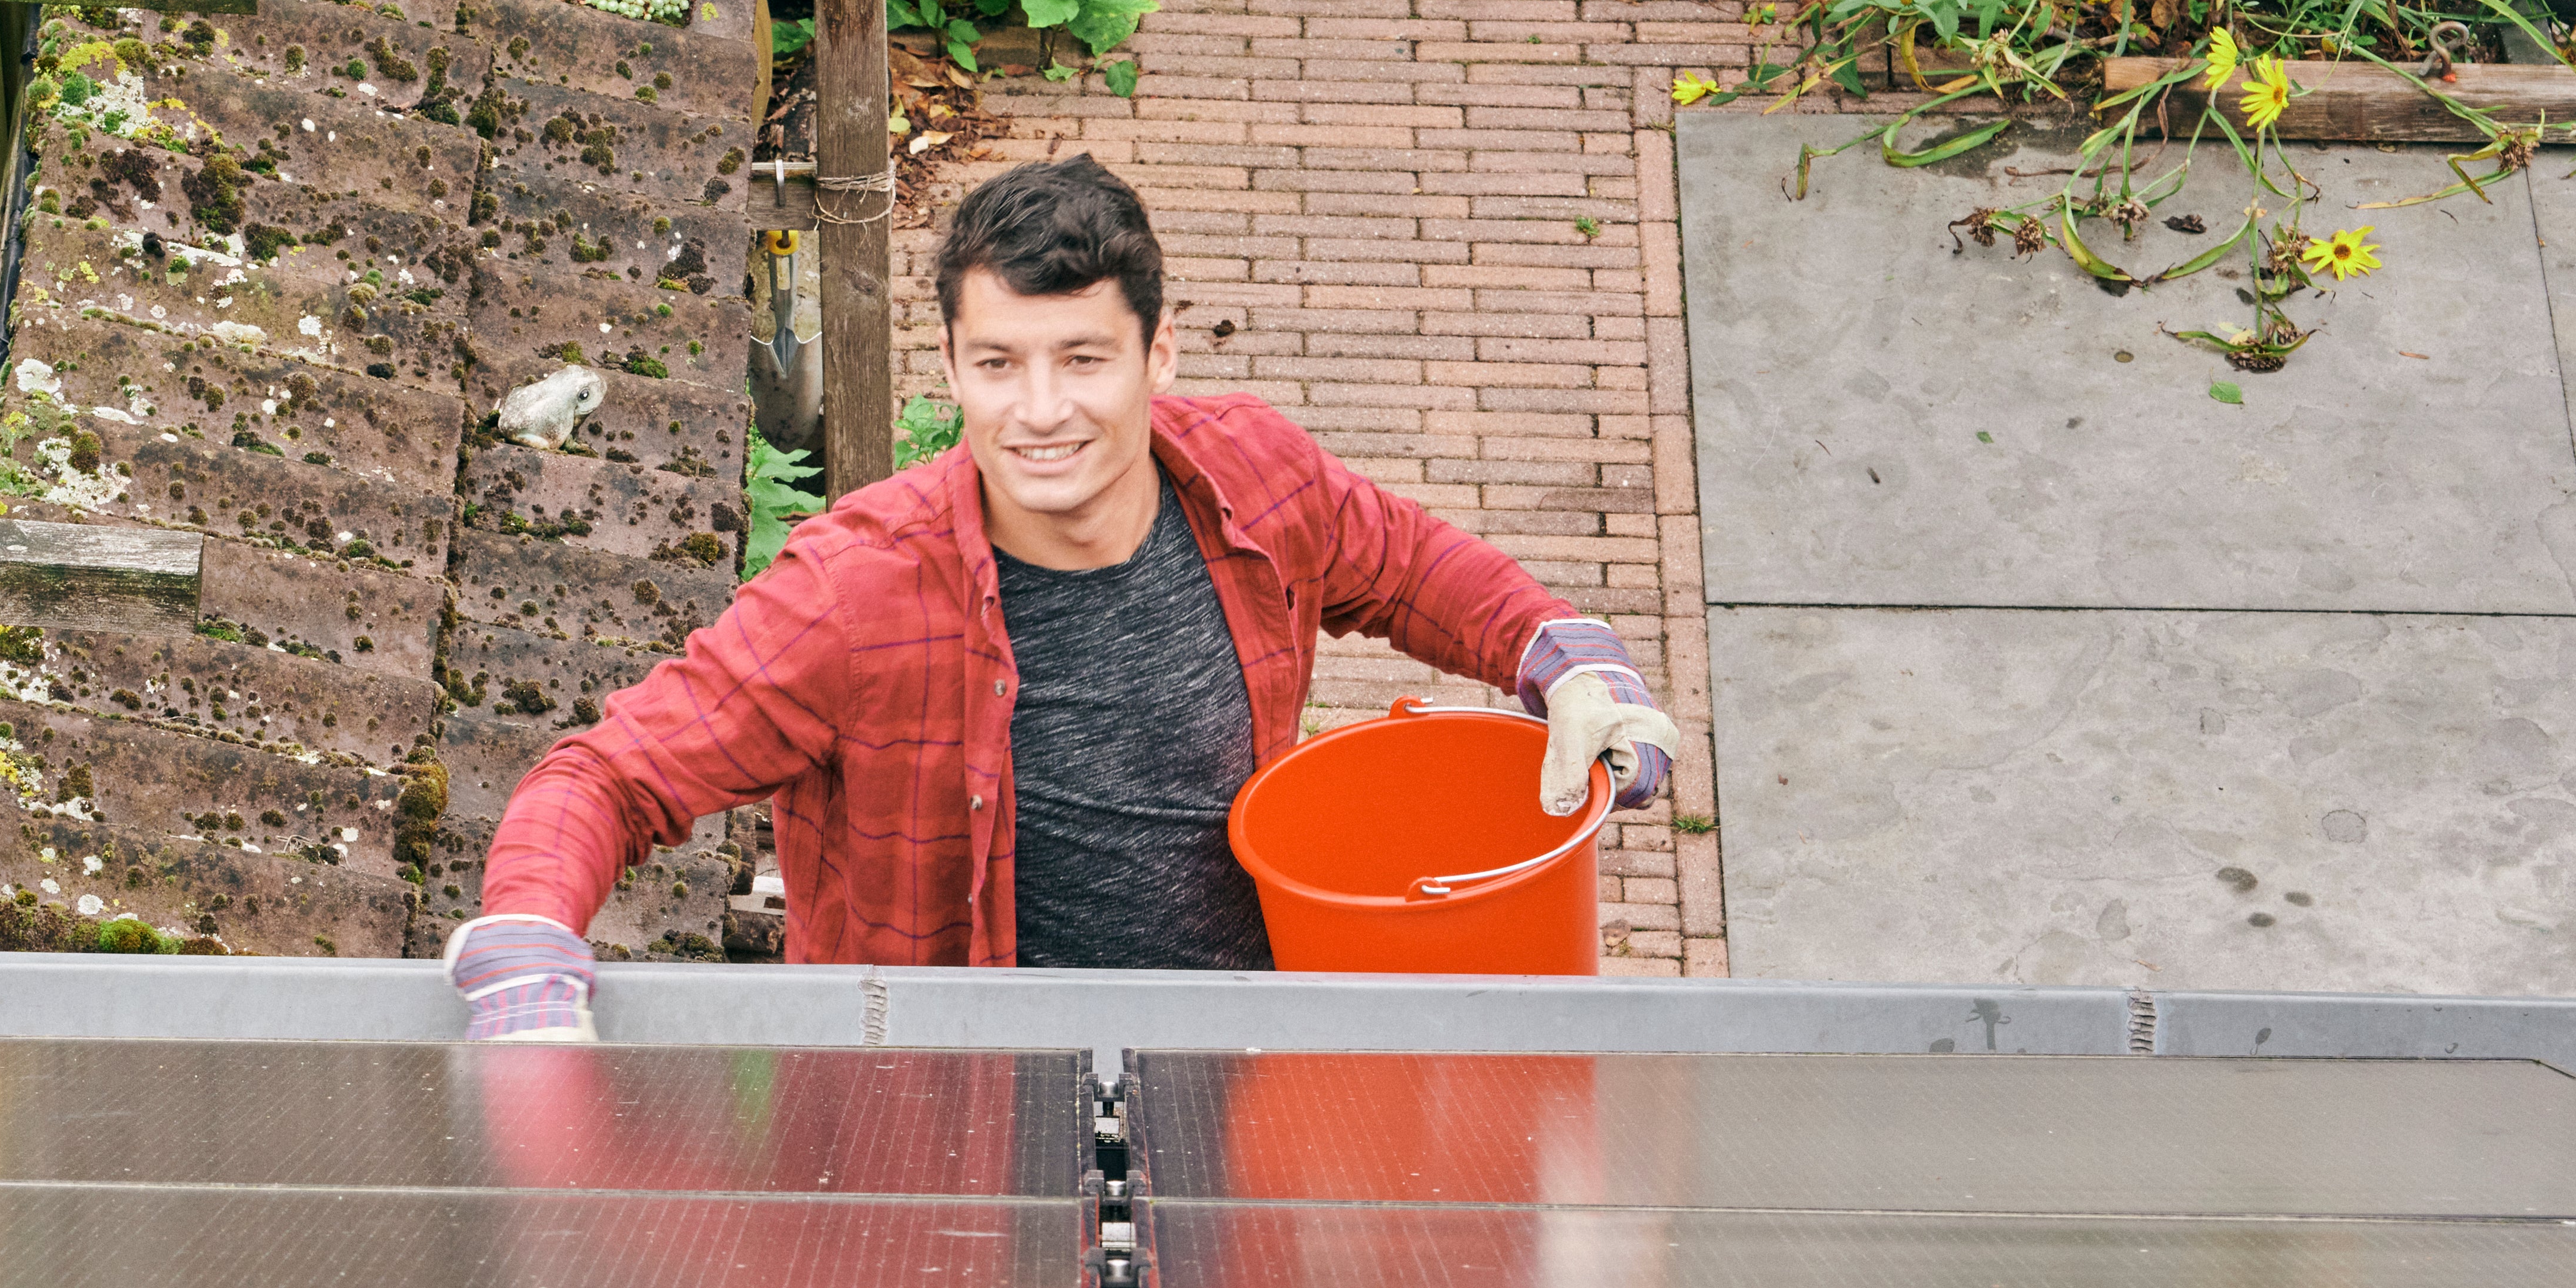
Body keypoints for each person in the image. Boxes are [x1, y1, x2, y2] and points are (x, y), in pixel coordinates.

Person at [447, 152, 1677, 1040]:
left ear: (1161, 353)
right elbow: (606, 779)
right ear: (952, 366)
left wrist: (1568, 660)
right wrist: (530, 941)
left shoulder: (1255, 474)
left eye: (1083, 360)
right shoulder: (852, 593)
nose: (1038, 412)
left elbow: (1411, 565)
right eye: (998, 365)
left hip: (1234, 1068)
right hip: (954, 1128)